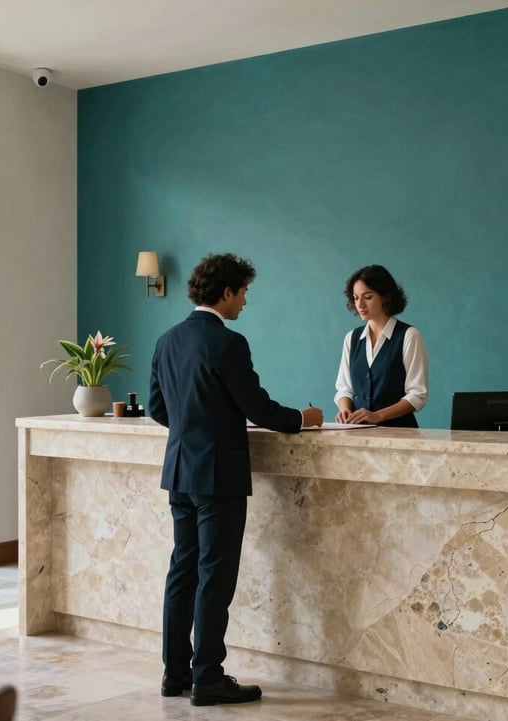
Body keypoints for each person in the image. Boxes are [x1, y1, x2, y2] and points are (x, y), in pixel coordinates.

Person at [149, 253, 323, 706]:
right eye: (243, 293)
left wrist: (196, 427)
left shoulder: (167, 340)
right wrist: (303, 418)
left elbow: (157, 408)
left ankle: (175, 674)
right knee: (214, 576)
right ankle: (207, 677)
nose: (245, 302)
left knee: (182, 572)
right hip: (218, 478)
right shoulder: (229, 343)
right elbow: (259, 410)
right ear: (226, 292)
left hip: (179, 472)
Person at [334, 264, 428, 427]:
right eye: (356, 298)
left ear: (385, 296)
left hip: (400, 433)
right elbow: (345, 388)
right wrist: (344, 409)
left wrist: (378, 415)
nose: (360, 305)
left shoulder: (409, 336)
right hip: (358, 433)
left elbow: (417, 395)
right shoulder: (352, 338)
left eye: (368, 297)